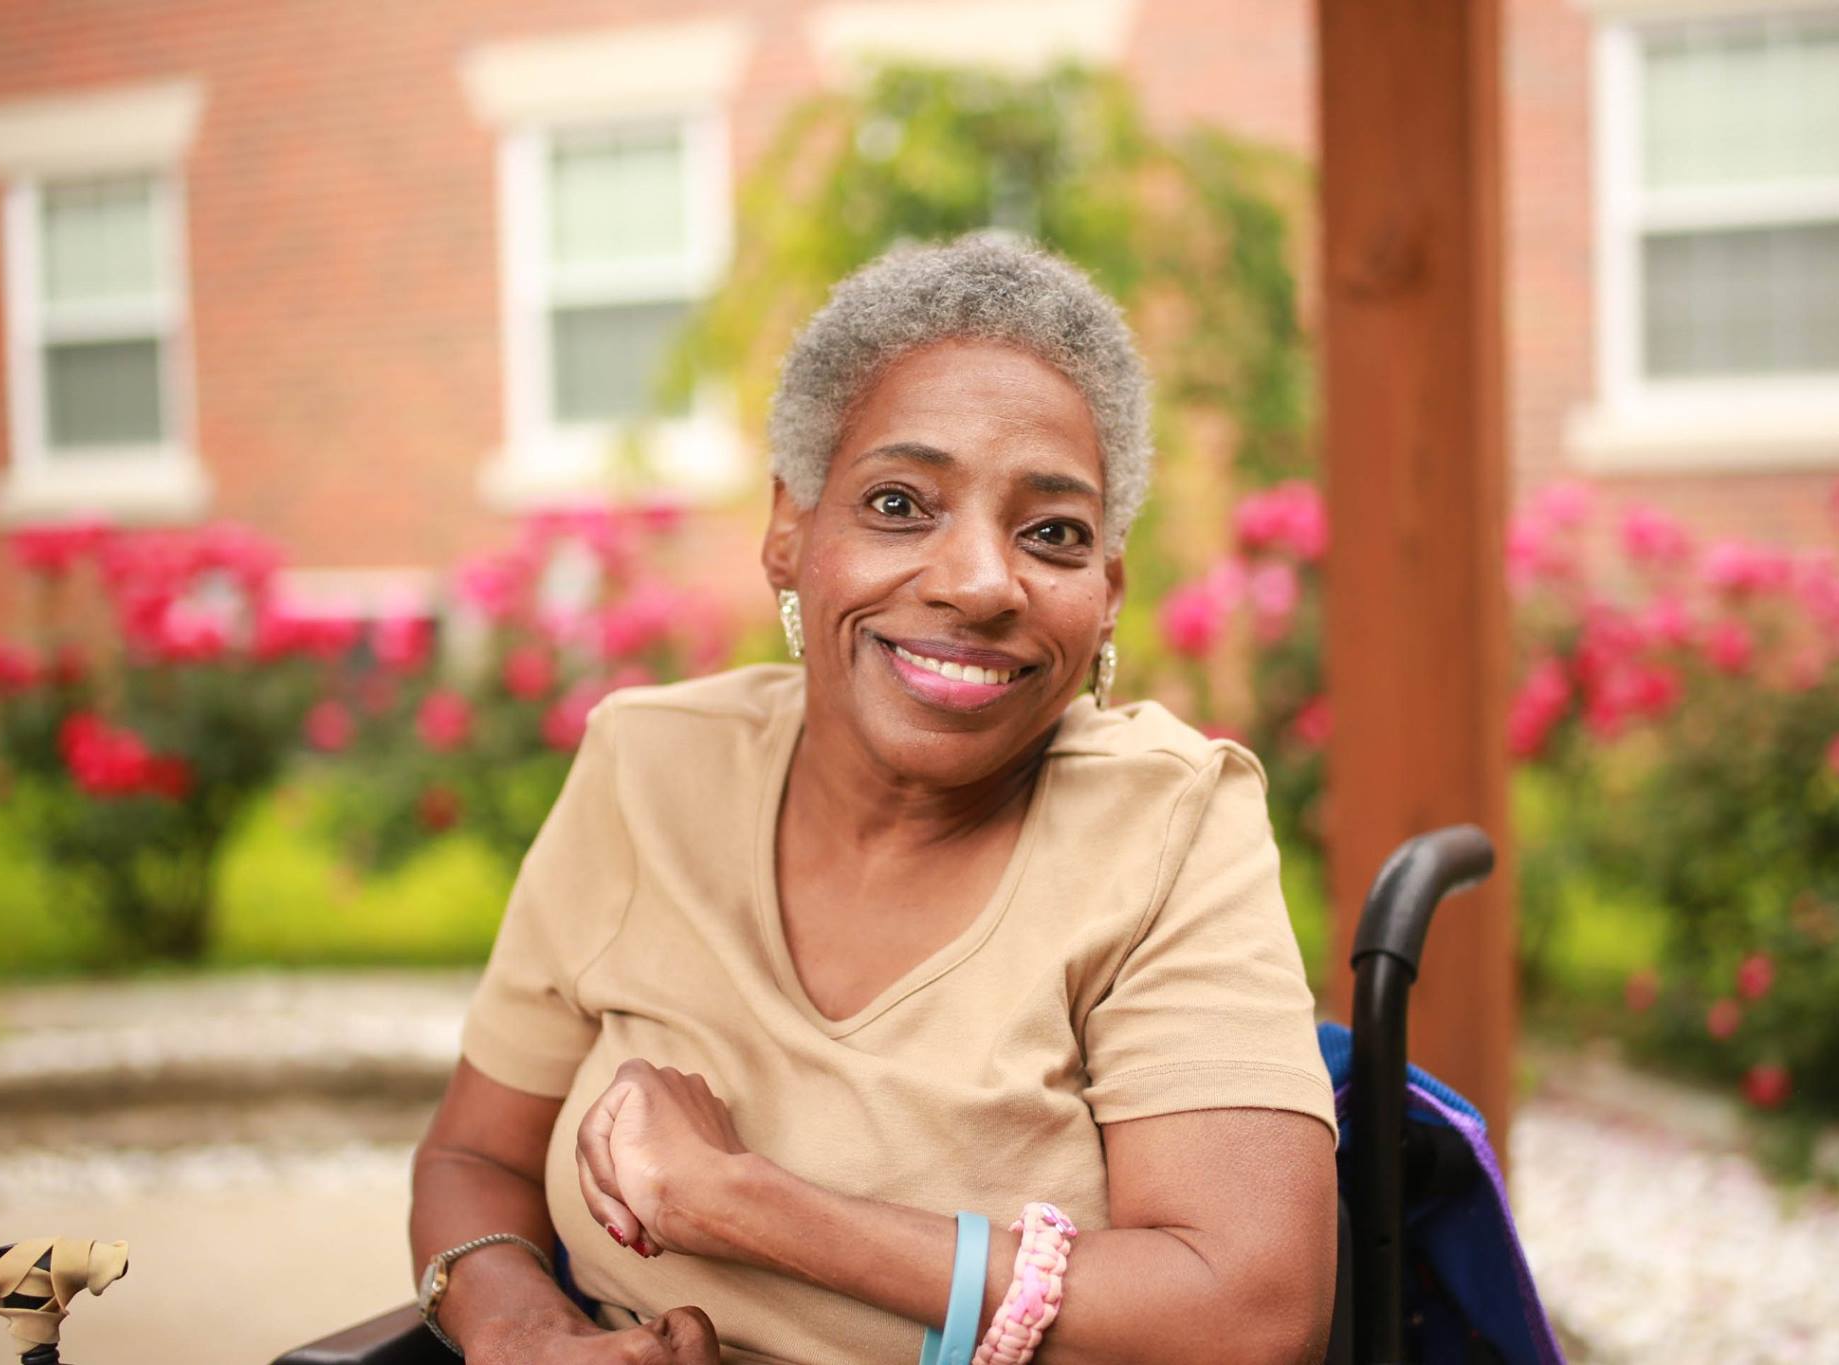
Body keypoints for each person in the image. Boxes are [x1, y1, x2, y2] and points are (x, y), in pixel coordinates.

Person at [410, 233, 1340, 1365]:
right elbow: (474, 1161)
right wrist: (526, 1333)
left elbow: (1247, 1309)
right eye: (900, 503)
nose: (979, 581)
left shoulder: (1164, 824)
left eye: (1052, 532)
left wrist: (745, 1203)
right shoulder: (648, 769)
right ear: (789, 532)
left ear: (1106, 596)